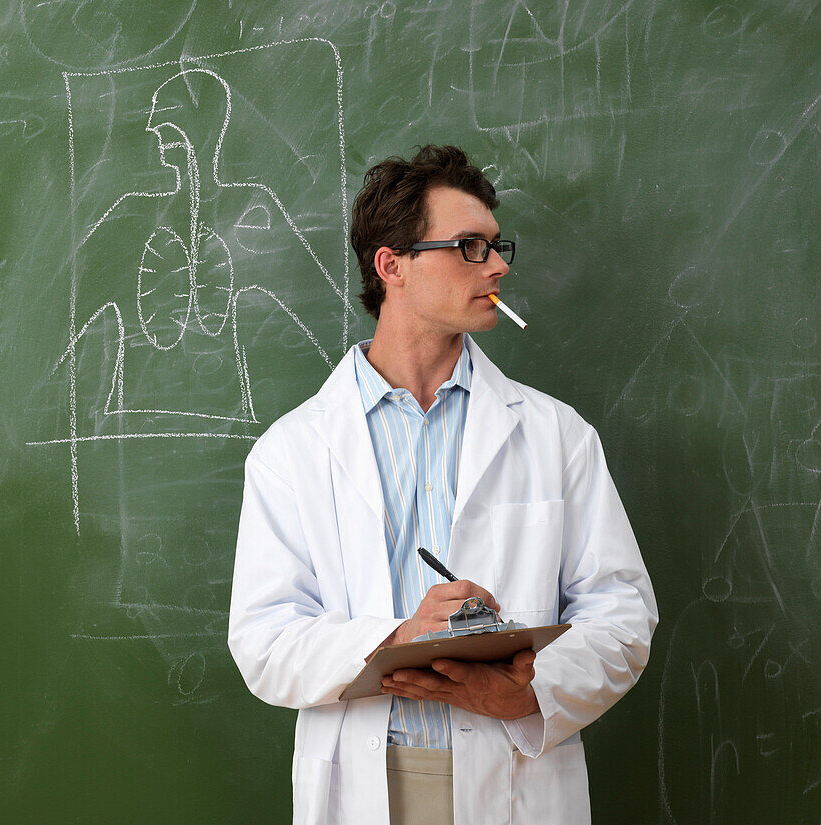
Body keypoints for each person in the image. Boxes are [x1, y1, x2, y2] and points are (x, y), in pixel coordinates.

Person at [227, 144, 657, 825]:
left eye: (495, 244)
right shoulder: (293, 450)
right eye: (469, 246)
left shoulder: (555, 434)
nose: (498, 265)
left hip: (513, 776)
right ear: (391, 265)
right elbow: (264, 642)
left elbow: (624, 613)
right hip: (366, 785)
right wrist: (399, 636)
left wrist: (526, 695)